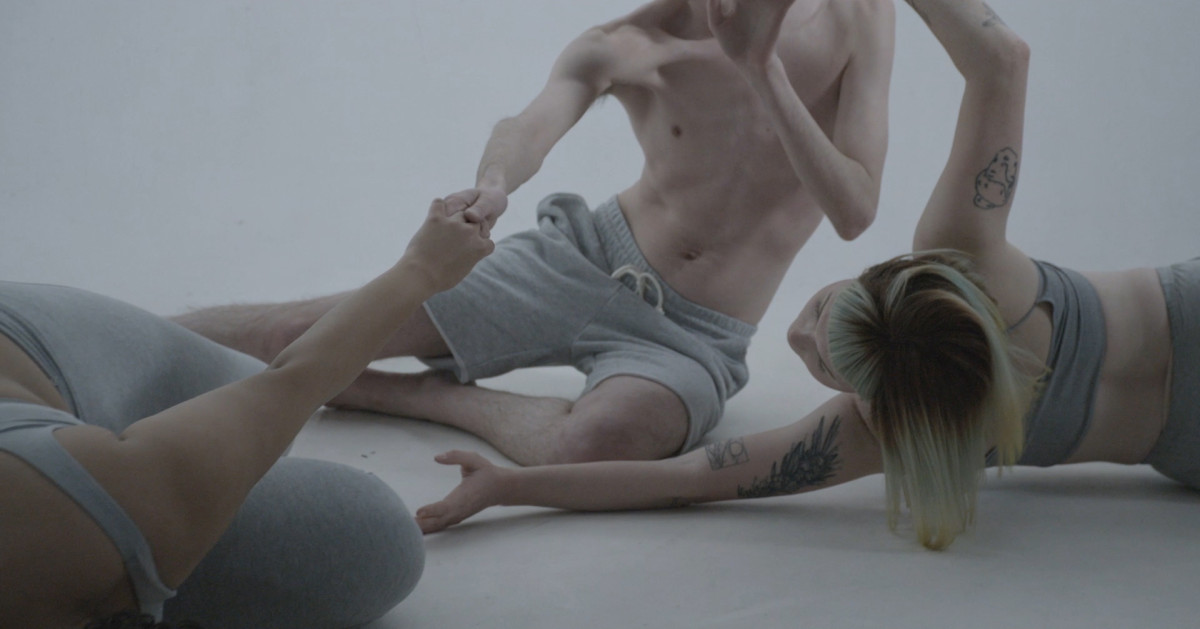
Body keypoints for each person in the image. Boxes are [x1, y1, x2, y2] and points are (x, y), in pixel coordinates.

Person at [412, 0, 1198, 551]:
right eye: (820, 321)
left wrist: (509, 488)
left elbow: (691, 479)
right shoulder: (962, 257)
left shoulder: (889, 423)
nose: (792, 336)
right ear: (889, 278)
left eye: (818, 358)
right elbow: (1002, 58)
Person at [172, 0, 895, 466]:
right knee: (291, 333)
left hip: (694, 338)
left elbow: (855, 209)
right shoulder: (627, 44)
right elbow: (527, 126)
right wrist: (495, 183)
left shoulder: (858, 16)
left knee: (598, 442)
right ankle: (109, 343)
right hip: (578, 259)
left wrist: (760, 68)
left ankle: (399, 393)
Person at [0, 199, 493, 628]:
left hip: (43, 399)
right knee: (372, 544)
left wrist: (424, 268)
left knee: (242, 382)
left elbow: (295, 378)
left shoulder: (89, 513)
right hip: (89, 511)